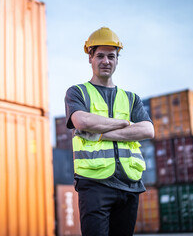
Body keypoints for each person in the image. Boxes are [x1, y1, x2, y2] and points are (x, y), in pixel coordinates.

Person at [64, 27, 154, 236]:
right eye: (100, 55)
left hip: (130, 185)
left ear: (117, 60)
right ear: (90, 58)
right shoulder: (77, 92)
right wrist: (126, 123)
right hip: (95, 185)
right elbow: (82, 120)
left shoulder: (132, 98)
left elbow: (148, 130)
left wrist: (102, 132)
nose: (106, 61)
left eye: (111, 56)